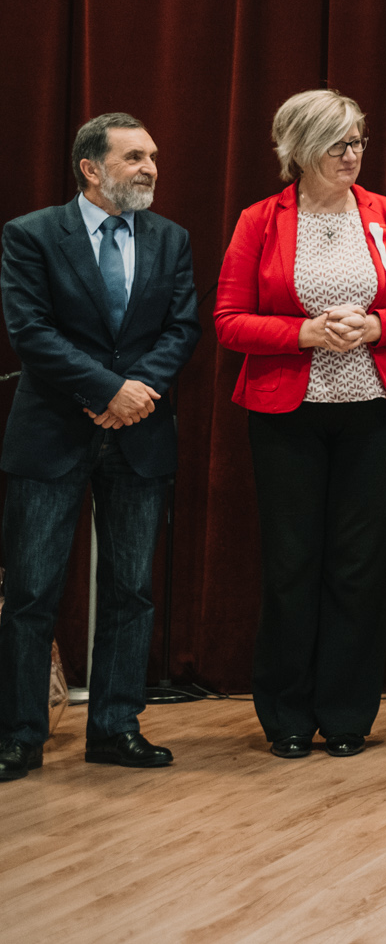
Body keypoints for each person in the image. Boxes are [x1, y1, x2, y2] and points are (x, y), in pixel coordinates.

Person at [215, 90, 386, 760]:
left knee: (357, 566)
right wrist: (303, 333)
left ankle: (345, 714)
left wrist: (376, 326)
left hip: (374, 412)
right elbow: (228, 321)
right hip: (288, 416)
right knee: (292, 564)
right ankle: (286, 714)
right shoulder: (261, 219)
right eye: (337, 143)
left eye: (357, 141)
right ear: (300, 149)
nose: (352, 154)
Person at [0, 114, 198, 781]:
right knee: (31, 592)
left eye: (153, 156)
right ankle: (18, 735)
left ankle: (116, 727)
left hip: (140, 433)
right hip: (52, 432)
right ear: (91, 167)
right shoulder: (31, 234)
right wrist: (109, 389)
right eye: (134, 156)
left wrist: (134, 393)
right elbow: (30, 330)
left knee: (130, 590)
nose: (150, 167)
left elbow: (182, 327)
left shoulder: (171, 238)